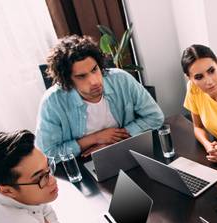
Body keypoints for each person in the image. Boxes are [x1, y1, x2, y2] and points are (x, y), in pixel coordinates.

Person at [36, 35, 164, 159]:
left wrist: (112, 142)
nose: (94, 81)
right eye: (81, 76)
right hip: (83, 160)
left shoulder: (121, 79)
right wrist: (95, 138)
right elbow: (47, 154)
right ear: (67, 80)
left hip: (126, 148)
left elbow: (155, 117)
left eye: (94, 70)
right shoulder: (52, 102)